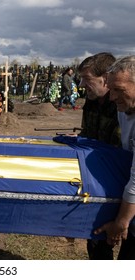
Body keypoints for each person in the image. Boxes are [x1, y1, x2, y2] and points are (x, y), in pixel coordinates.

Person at [77, 52, 120, 259]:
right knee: (96, 241)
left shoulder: (122, 104)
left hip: (121, 179)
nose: (82, 85)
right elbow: (88, 132)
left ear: (105, 78)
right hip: (96, 179)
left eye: (87, 79)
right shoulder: (92, 100)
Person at [94, 55, 135, 259]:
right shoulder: (124, 108)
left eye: (119, 89)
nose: (112, 97)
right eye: (111, 89)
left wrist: (121, 223)